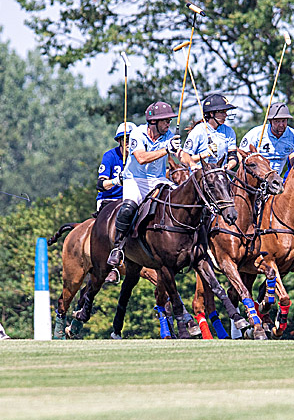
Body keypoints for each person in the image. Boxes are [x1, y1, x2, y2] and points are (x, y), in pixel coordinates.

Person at [105, 101, 179, 283]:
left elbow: (181, 155)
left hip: (158, 180)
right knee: (128, 207)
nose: (168, 124)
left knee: (180, 202)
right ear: (153, 122)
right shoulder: (138, 133)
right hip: (135, 179)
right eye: (165, 121)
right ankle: (118, 248)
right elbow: (141, 158)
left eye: (169, 120)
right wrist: (166, 149)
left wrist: (191, 162)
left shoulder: (168, 135)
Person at [239, 102, 294, 177]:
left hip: (276, 180)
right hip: (256, 179)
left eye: (284, 121)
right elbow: (241, 154)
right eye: (277, 121)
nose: (281, 125)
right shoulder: (255, 134)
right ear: (270, 121)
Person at [181, 93, 238, 170]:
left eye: (225, 112)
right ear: (211, 113)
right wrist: (205, 154)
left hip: (221, 175)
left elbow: (233, 157)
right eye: (222, 112)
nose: (225, 115)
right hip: (201, 176)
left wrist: (229, 166)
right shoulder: (198, 131)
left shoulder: (229, 131)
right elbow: (184, 159)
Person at [97, 122, 134, 212]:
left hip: (131, 199)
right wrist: (116, 181)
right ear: (119, 141)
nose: (129, 143)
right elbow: (101, 185)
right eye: (126, 140)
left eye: (132, 140)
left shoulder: (140, 157)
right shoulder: (110, 156)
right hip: (110, 200)